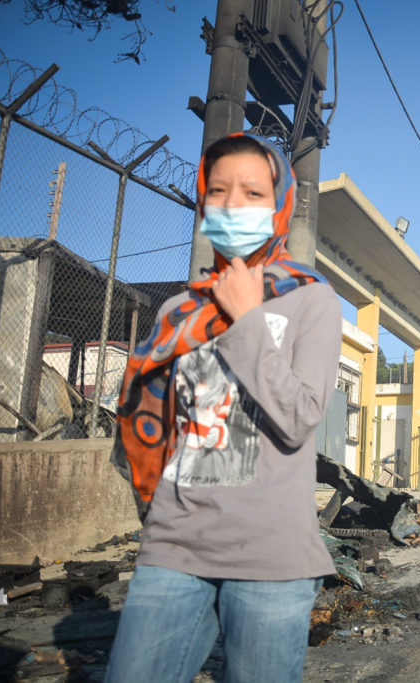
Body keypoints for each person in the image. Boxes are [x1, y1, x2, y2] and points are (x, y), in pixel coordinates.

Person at [105, 133, 341, 683]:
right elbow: (151, 427)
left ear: (280, 204)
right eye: (218, 190)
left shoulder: (311, 300)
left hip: (271, 559)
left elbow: (301, 416)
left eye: (253, 192)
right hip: (175, 545)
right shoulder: (178, 310)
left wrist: (247, 318)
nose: (233, 204)